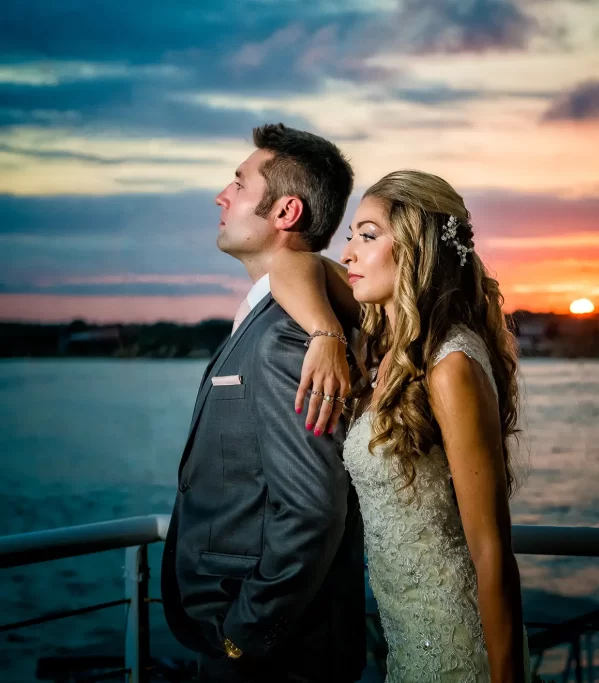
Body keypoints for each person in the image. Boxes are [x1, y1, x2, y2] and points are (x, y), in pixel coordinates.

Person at [269, 169, 530, 682]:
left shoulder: (450, 364)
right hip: (406, 643)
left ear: (415, 247)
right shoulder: (384, 347)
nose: (348, 254)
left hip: (457, 639)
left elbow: (491, 548)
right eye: (350, 237)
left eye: (367, 236)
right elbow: (290, 265)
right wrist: (324, 334)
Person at [161, 123, 366, 683]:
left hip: (274, 656)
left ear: (285, 213)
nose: (221, 196)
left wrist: (243, 635)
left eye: (239, 183)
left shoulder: (285, 338)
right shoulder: (284, 316)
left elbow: (311, 508)